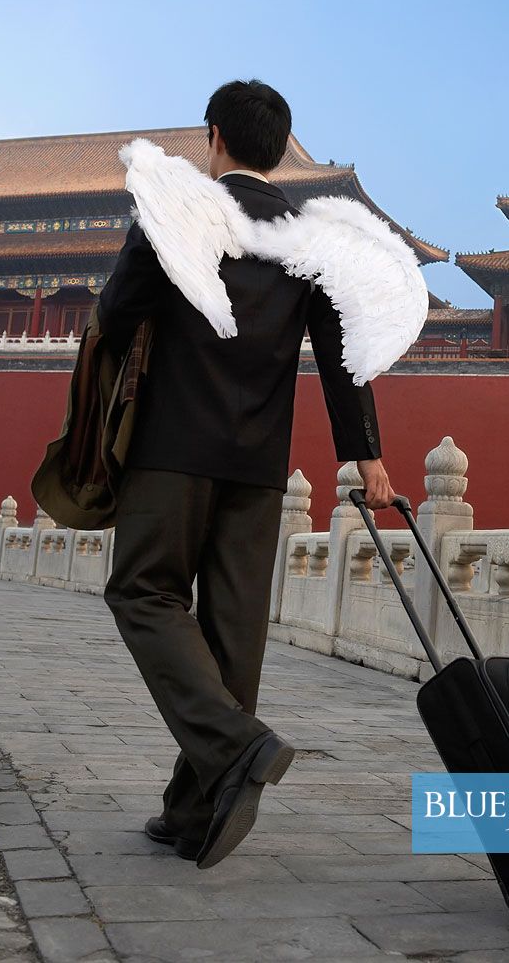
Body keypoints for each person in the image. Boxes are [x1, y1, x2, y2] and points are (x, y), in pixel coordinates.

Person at [99, 79, 395, 869]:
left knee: (142, 590)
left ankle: (238, 746)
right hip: (260, 462)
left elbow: (115, 309)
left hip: (172, 447)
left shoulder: (182, 211)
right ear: (277, 149)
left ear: (214, 136)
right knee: (234, 630)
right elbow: (343, 355)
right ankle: (194, 811)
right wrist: (365, 456)